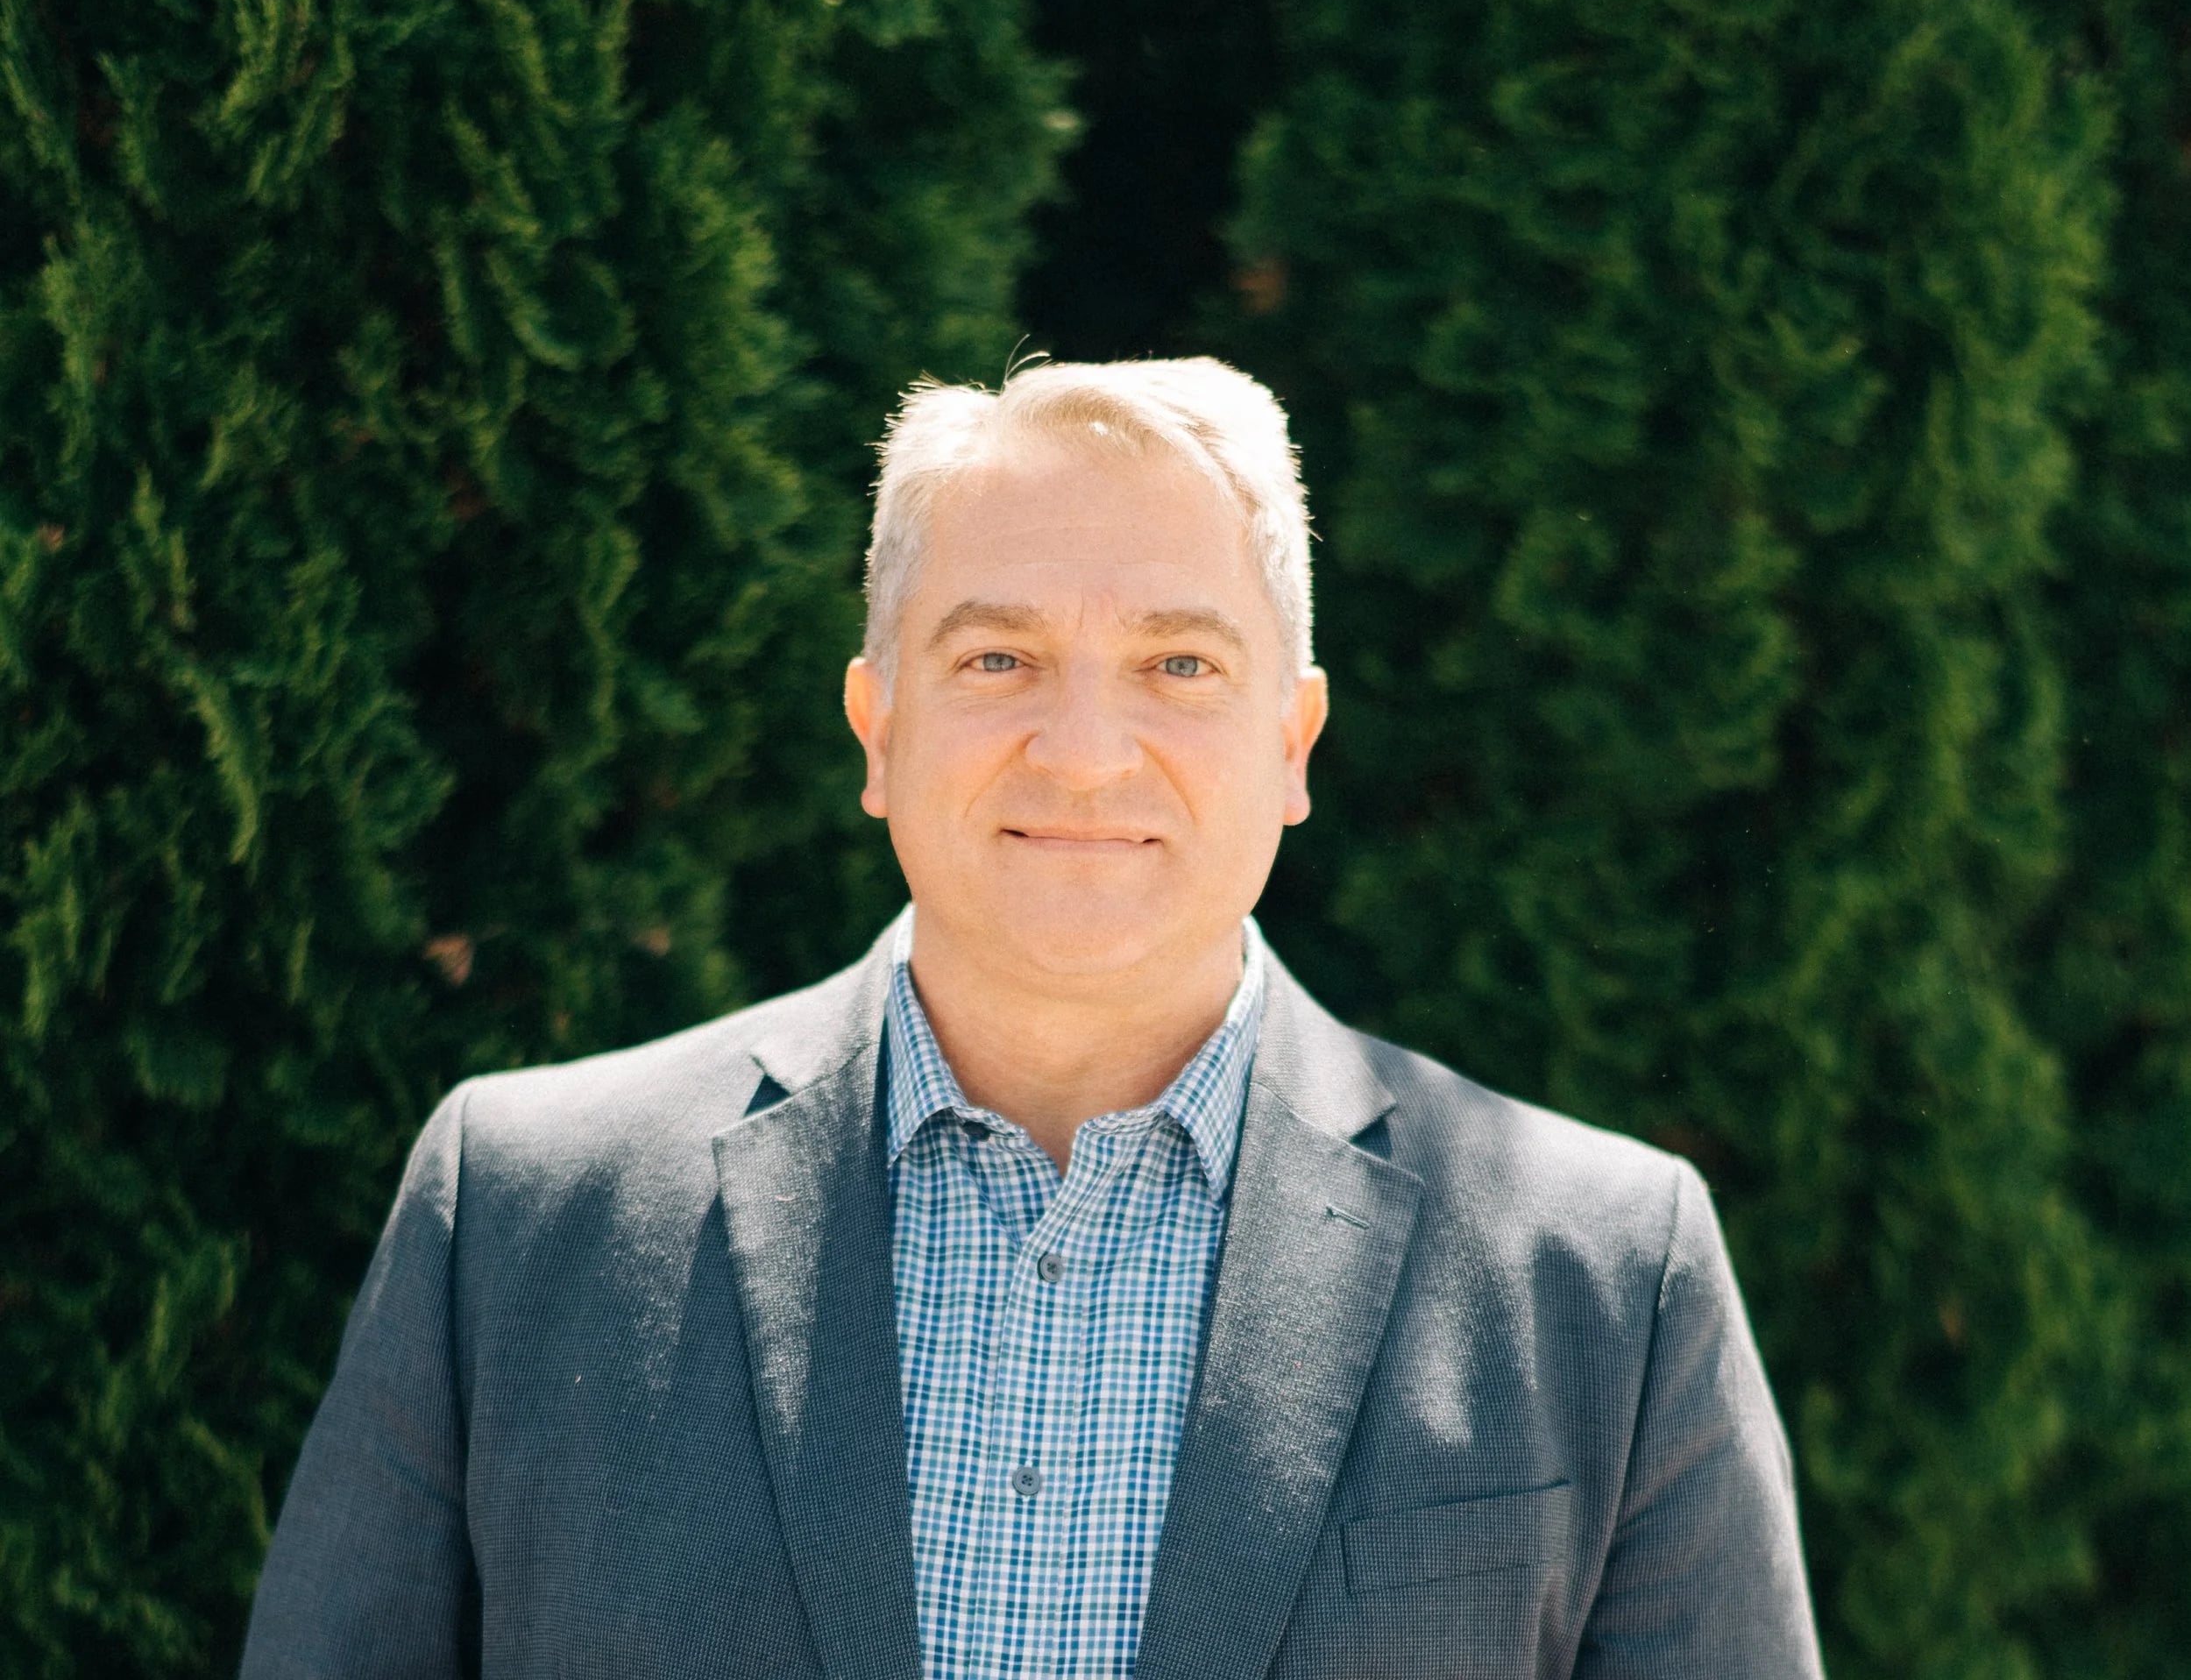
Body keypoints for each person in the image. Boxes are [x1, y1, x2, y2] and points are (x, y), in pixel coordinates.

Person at [242, 358, 1825, 1678]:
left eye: (1179, 665)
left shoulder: (1608, 1283)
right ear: (877, 726)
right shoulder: (517, 1220)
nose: (1084, 752)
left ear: (1293, 742)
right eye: (998, 656)